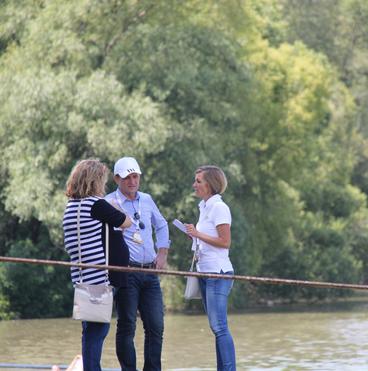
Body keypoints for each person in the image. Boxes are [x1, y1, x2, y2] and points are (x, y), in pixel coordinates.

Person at [63, 159, 132, 371]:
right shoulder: (96, 204)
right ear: (95, 181)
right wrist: (113, 207)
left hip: (82, 276)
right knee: (97, 330)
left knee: (90, 330)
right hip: (99, 277)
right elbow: (125, 222)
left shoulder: (71, 206)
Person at [105, 156, 170, 371]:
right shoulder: (109, 203)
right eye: (127, 178)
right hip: (126, 273)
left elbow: (161, 226)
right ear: (116, 179)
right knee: (127, 326)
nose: (132, 181)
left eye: (135, 176)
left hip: (150, 273)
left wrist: (162, 254)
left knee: (156, 326)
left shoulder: (147, 199)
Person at [185, 165, 236, 371]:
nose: (194, 184)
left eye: (198, 181)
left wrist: (197, 234)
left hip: (218, 274)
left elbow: (225, 242)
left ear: (210, 184)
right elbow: (207, 240)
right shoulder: (204, 207)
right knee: (216, 328)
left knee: (219, 327)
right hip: (204, 273)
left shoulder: (219, 207)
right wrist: (195, 236)